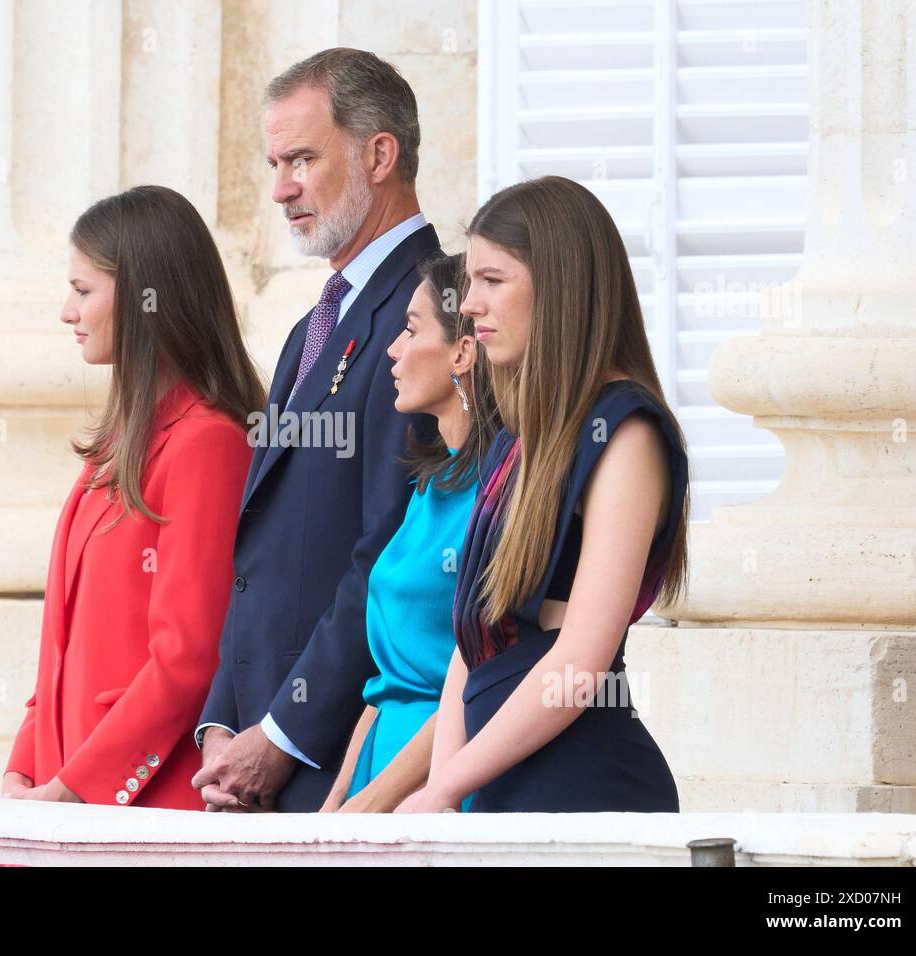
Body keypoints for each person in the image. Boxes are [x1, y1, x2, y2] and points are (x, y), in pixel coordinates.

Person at [192, 48, 442, 812]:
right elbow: (262, 550)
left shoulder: (433, 311)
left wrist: (283, 732)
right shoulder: (311, 326)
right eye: (274, 163)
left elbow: (389, 549)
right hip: (252, 757)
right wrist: (222, 719)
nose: (280, 190)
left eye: (301, 159)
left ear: (379, 154)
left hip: (338, 760)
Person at [397, 176, 689, 814]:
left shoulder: (626, 432)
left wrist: (446, 786)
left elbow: (581, 661)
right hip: (501, 788)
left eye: (493, 280)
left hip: (586, 793)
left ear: (561, 287)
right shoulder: (518, 438)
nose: (469, 304)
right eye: (469, 281)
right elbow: (472, 636)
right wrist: (446, 786)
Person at [2, 185, 263, 809]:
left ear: (149, 299)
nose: (68, 311)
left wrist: (73, 787)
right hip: (68, 799)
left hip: (145, 808)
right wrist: (25, 765)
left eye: (84, 290)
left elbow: (187, 659)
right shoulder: (115, 445)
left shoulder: (207, 443)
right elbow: (61, 645)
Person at [320, 252, 498, 813]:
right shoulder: (428, 486)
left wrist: (376, 803)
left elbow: (476, 679)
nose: (393, 349)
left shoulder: (497, 497)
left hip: (440, 777)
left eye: (411, 328)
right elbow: (383, 684)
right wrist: (337, 805)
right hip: (378, 768)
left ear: (462, 353)